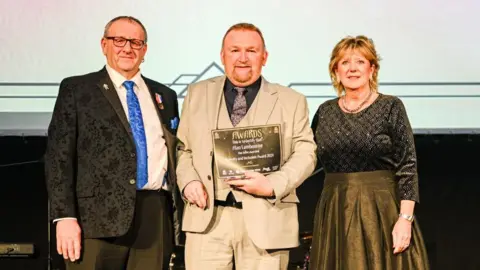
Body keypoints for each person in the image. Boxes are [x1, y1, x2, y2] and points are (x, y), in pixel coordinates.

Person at [44, 16, 183, 270]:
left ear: (145, 50)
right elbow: (58, 157)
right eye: (119, 40)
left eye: (136, 42)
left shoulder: (165, 95)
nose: (127, 48)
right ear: (104, 44)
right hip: (95, 221)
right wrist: (64, 216)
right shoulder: (78, 89)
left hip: (155, 216)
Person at [175, 22, 317, 270]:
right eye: (234, 50)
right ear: (222, 55)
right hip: (208, 219)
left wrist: (273, 184)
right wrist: (189, 181)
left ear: (265, 57)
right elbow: (183, 149)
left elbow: (306, 153)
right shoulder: (197, 93)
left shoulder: (291, 100)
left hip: (267, 220)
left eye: (251, 51)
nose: (242, 58)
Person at [309, 35, 429, 269]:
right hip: (335, 209)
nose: (352, 69)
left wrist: (405, 219)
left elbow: (407, 165)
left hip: (380, 211)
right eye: (345, 62)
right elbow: (308, 159)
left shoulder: (390, 107)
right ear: (336, 70)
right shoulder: (325, 111)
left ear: (372, 69)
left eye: (360, 62)